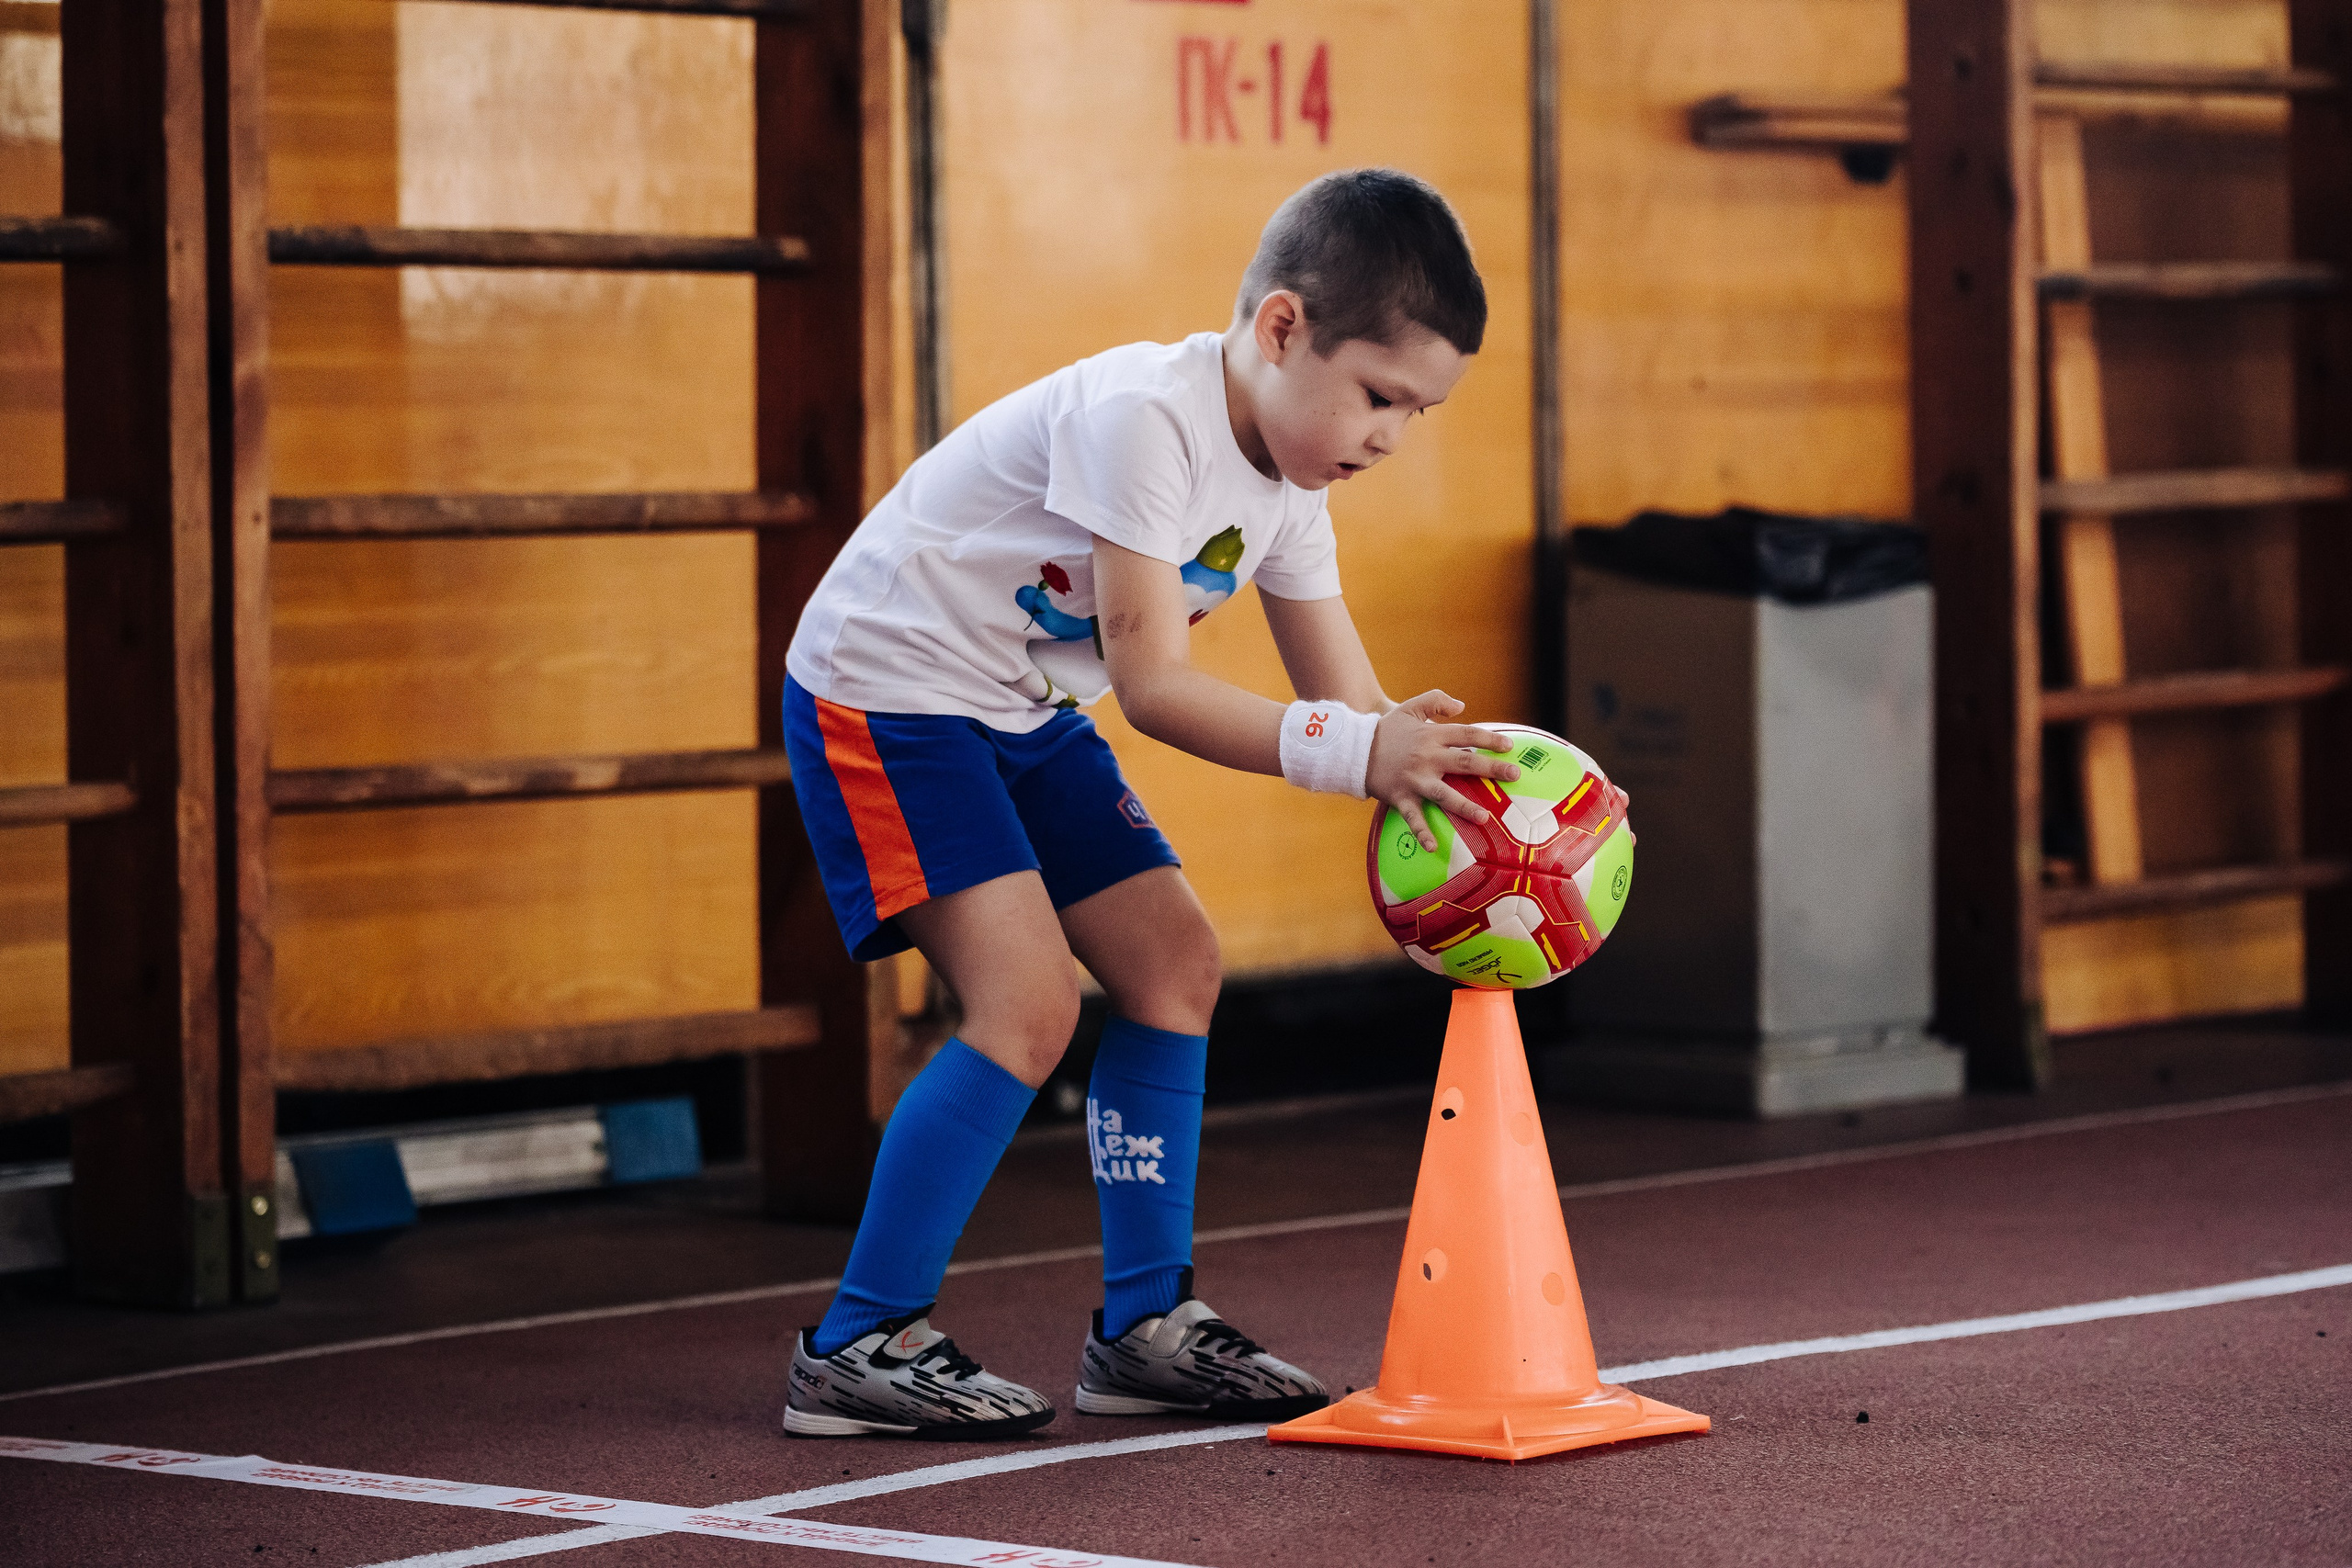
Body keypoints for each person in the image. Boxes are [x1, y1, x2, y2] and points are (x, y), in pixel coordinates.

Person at [777, 167, 1521, 1438]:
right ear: (1281, 328)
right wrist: (1361, 751)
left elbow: (1351, 705)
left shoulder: (1293, 486)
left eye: (1419, 411)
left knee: (1175, 965)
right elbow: (1157, 689)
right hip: (889, 688)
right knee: (1029, 1005)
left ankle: (1144, 1328)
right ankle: (859, 1340)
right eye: (1379, 395)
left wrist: (1501, 800)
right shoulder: (1144, 421)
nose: (1391, 436)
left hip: (1014, 704)